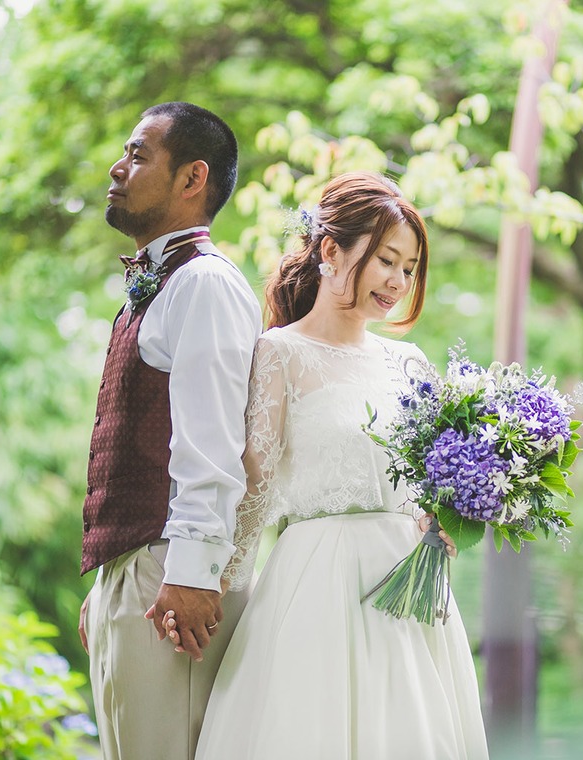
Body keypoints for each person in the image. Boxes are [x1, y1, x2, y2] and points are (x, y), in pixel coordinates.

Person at [172, 171, 488, 759]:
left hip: (410, 593)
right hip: (317, 583)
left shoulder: (410, 362)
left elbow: (427, 483)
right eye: (386, 260)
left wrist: (445, 520)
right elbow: (255, 483)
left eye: (410, 267)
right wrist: (216, 582)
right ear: (330, 250)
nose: (398, 281)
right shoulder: (280, 353)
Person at [76, 101, 262, 760]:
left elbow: (213, 445)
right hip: (135, 575)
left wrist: (189, 576)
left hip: (171, 578)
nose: (117, 167)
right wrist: (106, 586)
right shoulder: (159, 283)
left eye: (138, 154)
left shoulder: (204, 284)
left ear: (193, 179)